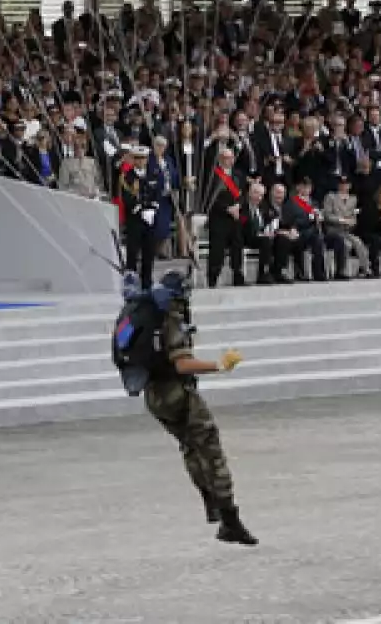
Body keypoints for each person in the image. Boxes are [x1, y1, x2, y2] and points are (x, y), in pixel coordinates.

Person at [136, 270, 255, 546]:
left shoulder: (147, 314)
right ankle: (229, 518)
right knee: (210, 449)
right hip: (176, 392)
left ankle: (211, 504)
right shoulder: (171, 318)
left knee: (190, 446)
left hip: (154, 395)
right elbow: (181, 363)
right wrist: (219, 365)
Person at [119, 145, 160, 286]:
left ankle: (147, 282)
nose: (141, 161)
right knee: (133, 252)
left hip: (150, 218)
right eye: (138, 159)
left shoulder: (152, 174)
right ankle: (131, 282)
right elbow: (127, 197)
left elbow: (156, 193)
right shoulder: (127, 176)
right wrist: (141, 210)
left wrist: (153, 208)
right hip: (135, 219)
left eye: (144, 159)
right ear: (134, 160)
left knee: (149, 252)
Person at [205, 147, 245, 288]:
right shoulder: (212, 175)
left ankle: (237, 274)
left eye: (231, 158)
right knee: (217, 248)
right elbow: (210, 198)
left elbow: (242, 195)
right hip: (219, 217)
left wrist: (237, 207)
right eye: (226, 158)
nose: (229, 161)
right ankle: (213, 277)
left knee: (237, 244)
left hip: (234, 216)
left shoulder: (238, 175)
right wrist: (227, 208)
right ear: (220, 159)